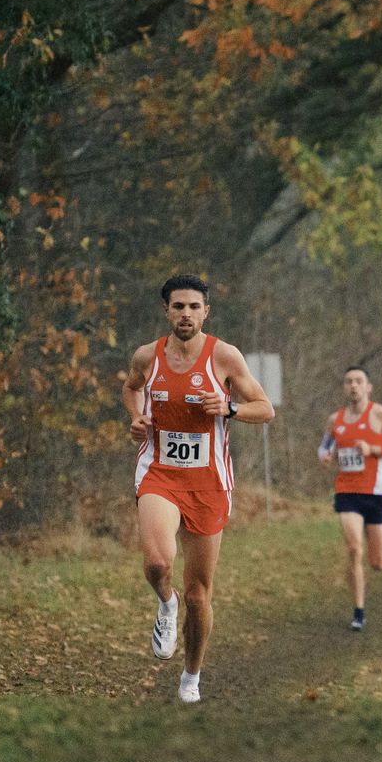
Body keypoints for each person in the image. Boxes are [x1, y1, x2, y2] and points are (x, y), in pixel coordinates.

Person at [124, 273, 275, 704]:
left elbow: (264, 409)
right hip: (160, 475)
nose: (185, 314)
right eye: (178, 307)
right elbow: (130, 390)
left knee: (199, 594)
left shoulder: (224, 357)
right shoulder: (146, 356)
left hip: (209, 485)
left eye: (194, 307)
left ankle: (191, 675)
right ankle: (164, 604)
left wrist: (228, 408)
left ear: (206, 312)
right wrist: (136, 418)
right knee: (156, 563)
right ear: (166, 311)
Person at [318, 365, 382, 632]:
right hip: (347, 491)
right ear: (344, 388)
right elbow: (324, 446)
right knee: (354, 547)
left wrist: (374, 449)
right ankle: (358, 611)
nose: (354, 386)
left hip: (377, 492)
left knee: (378, 563)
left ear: (368, 387)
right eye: (348, 382)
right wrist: (324, 456)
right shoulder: (334, 420)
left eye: (359, 381)